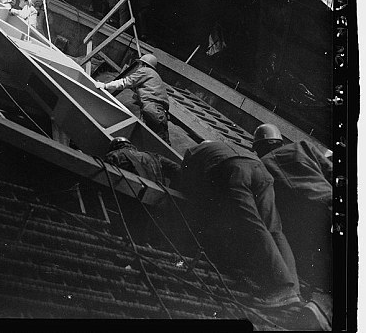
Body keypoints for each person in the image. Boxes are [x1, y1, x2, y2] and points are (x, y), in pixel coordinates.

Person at [180, 140, 301, 308]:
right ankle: (295, 290)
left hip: (235, 171)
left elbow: (188, 185)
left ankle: (282, 288)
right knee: (275, 229)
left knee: (253, 224)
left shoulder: (193, 151)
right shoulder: (226, 146)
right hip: (261, 170)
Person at [252, 124, 333, 292]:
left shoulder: (261, 165)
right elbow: (331, 172)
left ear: (258, 147)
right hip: (329, 202)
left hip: (306, 220)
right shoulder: (303, 146)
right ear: (279, 141)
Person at [95, 54, 171, 146]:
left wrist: (105, 85)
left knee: (159, 141)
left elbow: (125, 82)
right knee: (157, 140)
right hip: (157, 110)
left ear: (144, 64)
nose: (138, 67)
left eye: (139, 64)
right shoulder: (153, 75)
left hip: (152, 109)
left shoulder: (145, 71)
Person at [105, 137, 180, 187]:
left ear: (114, 147)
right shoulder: (154, 156)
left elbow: (103, 175)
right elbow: (177, 169)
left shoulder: (115, 155)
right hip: (160, 199)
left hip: (130, 199)